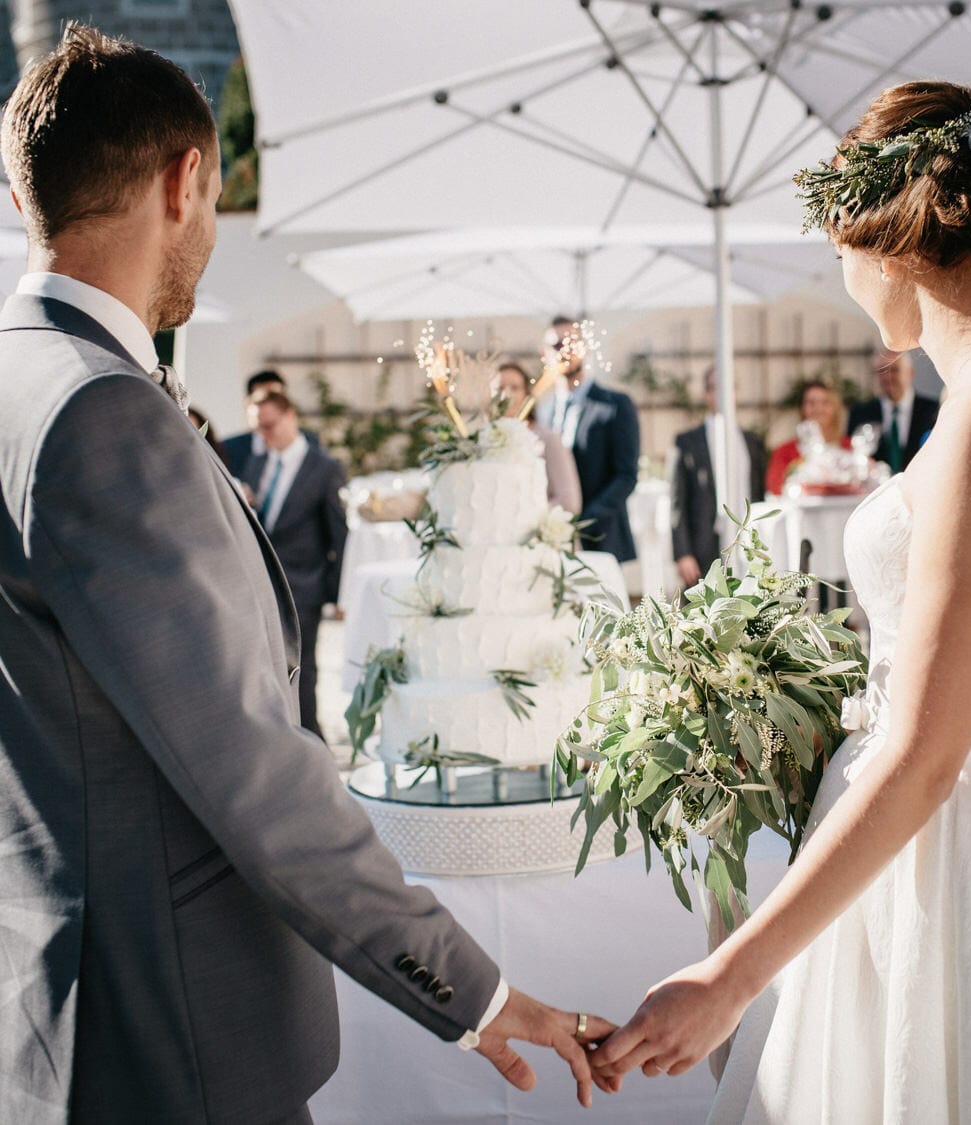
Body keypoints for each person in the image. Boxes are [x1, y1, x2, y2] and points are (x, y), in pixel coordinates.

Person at [0, 26, 613, 1122]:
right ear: (184, 181)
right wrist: (476, 992)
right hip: (172, 1026)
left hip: (59, 987)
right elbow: (252, 769)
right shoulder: (102, 412)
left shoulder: (17, 373)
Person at [591, 81, 971, 1120]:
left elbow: (929, 754)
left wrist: (729, 977)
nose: (841, 278)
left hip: (958, 862)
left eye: (837, 249)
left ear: (885, 242)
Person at [243, 389, 348, 737]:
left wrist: (336, 595)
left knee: (303, 676)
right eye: (258, 428)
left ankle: (315, 749)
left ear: (290, 417)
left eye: (269, 425)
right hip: (261, 587)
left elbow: (340, 536)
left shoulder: (325, 468)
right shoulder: (258, 463)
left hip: (304, 587)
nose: (264, 434)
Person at [546, 316, 640, 561]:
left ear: (584, 347)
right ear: (545, 353)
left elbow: (626, 476)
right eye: (556, 345)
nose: (563, 351)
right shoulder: (543, 411)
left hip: (602, 538)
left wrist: (583, 521)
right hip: (551, 544)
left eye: (570, 342)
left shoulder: (616, 405)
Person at [671, 366, 766, 587]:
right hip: (703, 545)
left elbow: (760, 494)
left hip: (749, 543)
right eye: (716, 387)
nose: (722, 394)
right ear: (707, 393)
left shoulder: (753, 442)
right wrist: (682, 552)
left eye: (728, 387)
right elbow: (677, 502)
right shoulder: (687, 442)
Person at [498, 360, 582, 514]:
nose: (506, 394)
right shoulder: (482, 442)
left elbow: (569, 502)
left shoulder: (548, 439)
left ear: (526, 394)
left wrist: (520, 518)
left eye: (515, 388)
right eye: (500, 388)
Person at [848, 348, 941, 472]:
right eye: (882, 371)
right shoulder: (860, 413)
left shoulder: (933, 411)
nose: (888, 377)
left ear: (910, 373)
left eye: (894, 370)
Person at [223, 367, 319, 481]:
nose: (268, 404)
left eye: (275, 398)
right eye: (261, 399)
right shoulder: (228, 448)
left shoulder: (309, 443)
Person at [764, 379, 852, 495]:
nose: (818, 409)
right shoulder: (784, 452)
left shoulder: (850, 447)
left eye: (825, 403)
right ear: (802, 409)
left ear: (836, 409)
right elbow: (775, 488)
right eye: (811, 403)